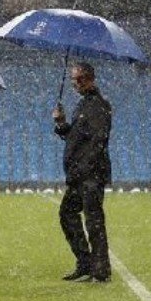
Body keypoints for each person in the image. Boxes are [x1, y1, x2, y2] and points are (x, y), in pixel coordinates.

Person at [52, 62, 112, 283]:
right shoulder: (83, 105)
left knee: (93, 221)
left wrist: (85, 169)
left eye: (79, 79)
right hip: (81, 175)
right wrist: (61, 124)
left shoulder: (99, 106)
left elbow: (98, 141)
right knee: (68, 215)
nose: (75, 84)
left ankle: (100, 270)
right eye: (73, 80)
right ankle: (86, 264)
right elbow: (77, 137)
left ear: (90, 79)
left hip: (90, 175)